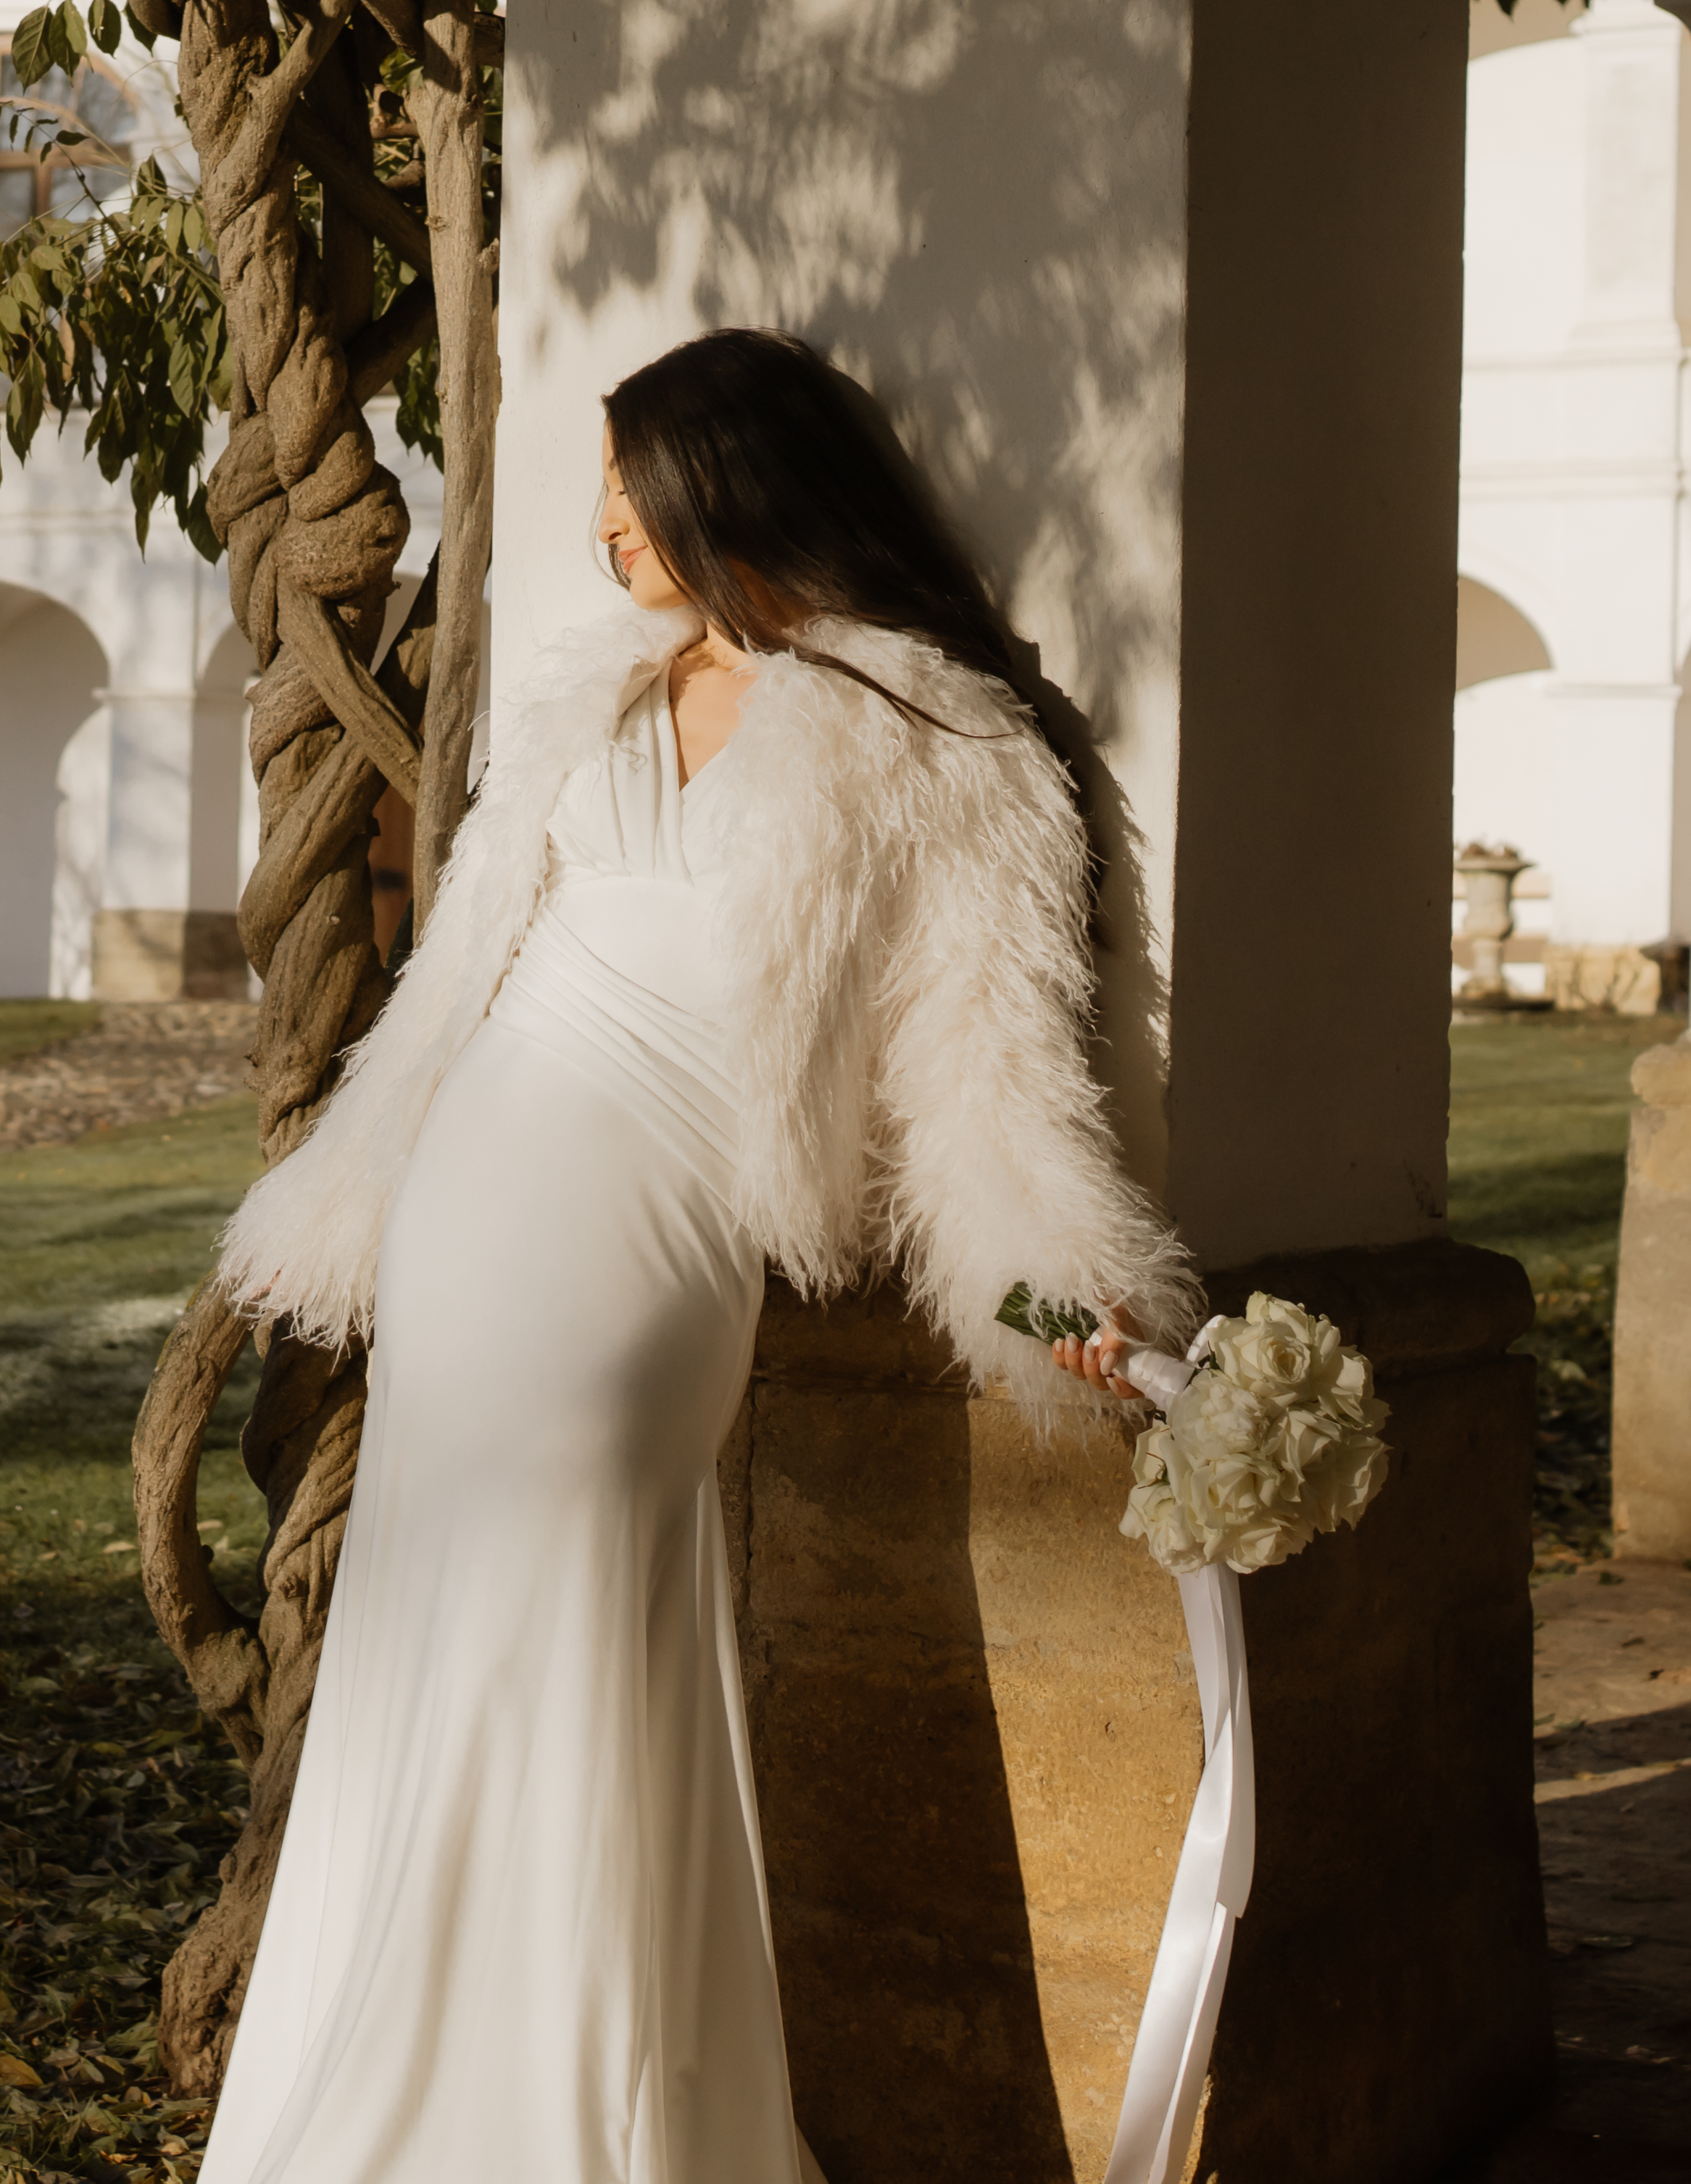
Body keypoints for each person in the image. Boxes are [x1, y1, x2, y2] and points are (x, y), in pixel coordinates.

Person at [194, 326, 1200, 2184]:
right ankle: (374, 2104)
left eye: (627, 485)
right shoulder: (595, 694)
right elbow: (456, 981)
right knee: (424, 1635)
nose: (602, 528)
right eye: (595, 485)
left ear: (734, 483)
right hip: (472, 1197)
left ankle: (575, 2117)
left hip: (646, 1248)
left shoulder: (941, 739)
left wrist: (1067, 1295)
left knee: (583, 1629)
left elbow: (981, 1075)